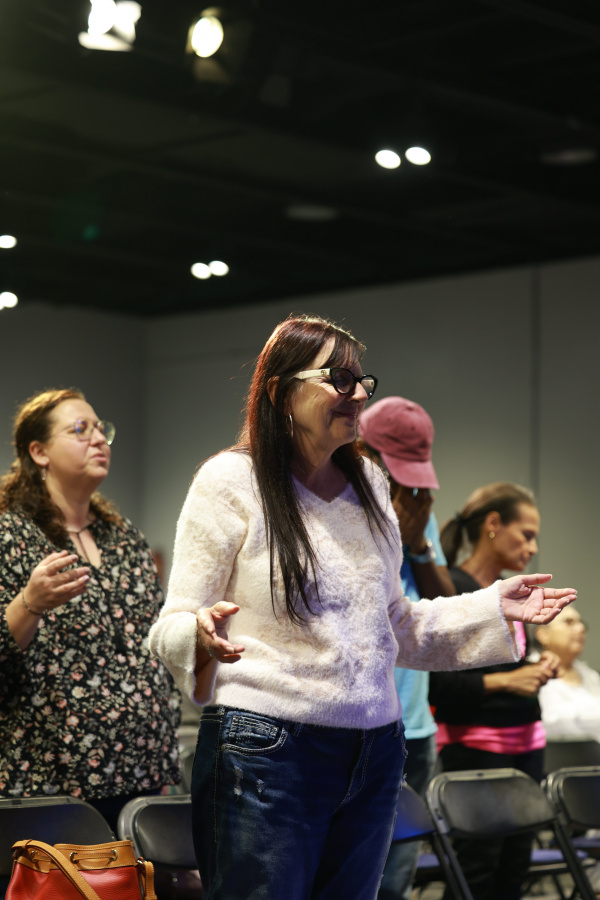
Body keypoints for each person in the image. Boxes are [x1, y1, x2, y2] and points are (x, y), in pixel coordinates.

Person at [149, 315, 576, 900]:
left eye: (361, 380)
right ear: (280, 391)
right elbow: (172, 623)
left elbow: (394, 624)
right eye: (339, 379)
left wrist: (491, 607)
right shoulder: (230, 481)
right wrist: (197, 635)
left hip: (375, 748)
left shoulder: (371, 484)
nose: (357, 395)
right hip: (267, 748)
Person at [0, 389, 180, 832]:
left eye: (101, 429)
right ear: (39, 452)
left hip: (141, 773)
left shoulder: (125, 538)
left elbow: (153, 648)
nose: (99, 439)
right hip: (51, 781)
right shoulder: (10, 535)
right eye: (81, 429)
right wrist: (30, 603)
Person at [430, 482, 561, 900]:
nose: (533, 547)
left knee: (514, 869)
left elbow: (512, 664)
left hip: (528, 746)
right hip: (476, 749)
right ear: (493, 524)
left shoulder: (513, 592)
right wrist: (508, 681)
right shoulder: (451, 587)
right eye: (527, 534)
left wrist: (540, 666)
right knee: (477, 869)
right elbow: (439, 685)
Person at [358, 395, 454, 900]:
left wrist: (416, 543)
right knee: (354, 875)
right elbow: (362, 606)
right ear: (365, 451)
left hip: (415, 723)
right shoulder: (346, 506)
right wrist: (392, 542)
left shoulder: (416, 509)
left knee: (396, 881)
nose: (406, 487)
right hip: (361, 720)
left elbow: (445, 608)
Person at [535, 608, 600, 742]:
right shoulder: (531, 675)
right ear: (543, 634)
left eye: (581, 623)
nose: (581, 628)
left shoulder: (591, 677)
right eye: (569, 622)